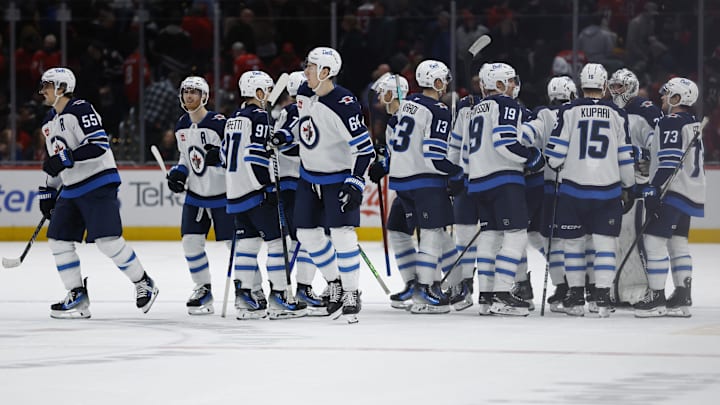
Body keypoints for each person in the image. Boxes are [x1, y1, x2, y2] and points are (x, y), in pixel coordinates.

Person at [37, 67, 159, 319]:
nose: (42, 91)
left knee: (108, 241)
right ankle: (77, 296)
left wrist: (64, 158)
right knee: (58, 240)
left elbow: (99, 144)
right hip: (71, 189)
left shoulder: (80, 108)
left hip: (97, 182)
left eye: (47, 85)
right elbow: (56, 159)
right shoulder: (48, 122)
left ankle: (143, 282)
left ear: (61, 88)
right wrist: (48, 188)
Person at [275, 46, 374, 323]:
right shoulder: (305, 94)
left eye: (311, 66)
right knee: (306, 235)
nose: (305, 71)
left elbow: (365, 151)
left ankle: (352, 291)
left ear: (326, 72)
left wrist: (355, 182)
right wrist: (286, 137)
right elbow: (304, 130)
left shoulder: (344, 104)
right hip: (308, 177)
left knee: (342, 234)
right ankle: (335, 282)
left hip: (337, 179)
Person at [545, 63, 635, 318]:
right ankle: (602, 296)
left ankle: (575, 296)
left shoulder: (569, 111)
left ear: (582, 84)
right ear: (605, 85)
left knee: (572, 245)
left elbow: (553, 157)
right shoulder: (617, 114)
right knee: (605, 245)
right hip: (607, 192)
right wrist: (629, 185)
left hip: (573, 191)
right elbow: (625, 157)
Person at [372, 60, 462, 314]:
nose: (445, 85)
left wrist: (386, 164)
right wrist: (457, 173)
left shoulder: (407, 106)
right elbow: (434, 156)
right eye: (443, 80)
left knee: (431, 234)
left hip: (403, 182)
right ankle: (424, 287)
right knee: (432, 234)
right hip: (425, 181)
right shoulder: (438, 109)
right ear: (436, 82)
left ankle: (454, 283)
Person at [221, 70, 307, 320]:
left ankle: (245, 298)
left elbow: (225, 157)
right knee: (279, 243)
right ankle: (280, 296)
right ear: (258, 93)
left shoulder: (232, 118)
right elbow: (254, 155)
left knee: (247, 245)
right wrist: (267, 186)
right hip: (256, 191)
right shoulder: (259, 116)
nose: (268, 95)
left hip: (235, 193)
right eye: (266, 91)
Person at [465, 62, 544, 316]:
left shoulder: (475, 108)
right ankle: (502, 293)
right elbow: (505, 142)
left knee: (490, 237)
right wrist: (531, 155)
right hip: (503, 179)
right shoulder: (506, 104)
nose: (513, 85)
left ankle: (487, 296)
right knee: (516, 234)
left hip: (479, 180)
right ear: (498, 84)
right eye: (509, 80)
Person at [633, 77, 704, 318]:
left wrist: (653, 186)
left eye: (666, 95)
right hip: (689, 192)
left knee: (653, 243)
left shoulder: (670, 122)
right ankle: (682, 296)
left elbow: (670, 161)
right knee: (678, 244)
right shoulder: (692, 123)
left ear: (677, 99)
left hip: (671, 191)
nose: (662, 98)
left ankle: (656, 297)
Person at [166, 76, 232, 315]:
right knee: (190, 243)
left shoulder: (219, 123)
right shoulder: (182, 125)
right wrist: (179, 173)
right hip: (195, 196)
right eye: (186, 92)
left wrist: (222, 156)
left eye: (194, 92)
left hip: (223, 195)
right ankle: (203, 289)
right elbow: (186, 157)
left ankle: (249, 289)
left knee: (236, 246)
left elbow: (235, 153)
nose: (189, 96)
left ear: (204, 96)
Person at [270, 70, 327, 315]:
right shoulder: (295, 111)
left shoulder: (292, 111)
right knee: (306, 236)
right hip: (295, 183)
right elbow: (286, 143)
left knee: (302, 238)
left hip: (293, 183)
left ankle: (295, 289)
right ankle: (299, 288)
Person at [520, 76, 577, 313]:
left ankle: (562, 286)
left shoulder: (541, 113)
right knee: (577, 241)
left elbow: (523, 137)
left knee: (550, 239)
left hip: (548, 186)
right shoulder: (579, 112)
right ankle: (585, 288)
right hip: (576, 185)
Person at [608, 68, 663, 305]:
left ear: (630, 86)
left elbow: (659, 146)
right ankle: (621, 289)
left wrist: (643, 153)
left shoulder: (644, 110)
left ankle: (642, 289)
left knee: (637, 239)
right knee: (619, 239)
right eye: (613, 86)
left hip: (640, 183)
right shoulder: (612, 111)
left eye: (619, 86)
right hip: (619, 182)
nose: (614, 91)